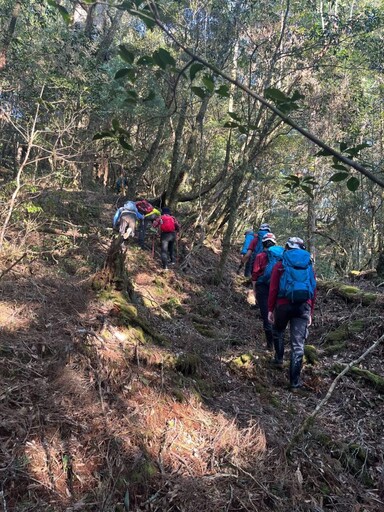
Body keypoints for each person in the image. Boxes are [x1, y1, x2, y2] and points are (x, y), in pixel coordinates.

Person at [267, 237, 317, 391]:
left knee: (278, 330)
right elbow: (313, 290)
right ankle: (294, 383)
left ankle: (279, 359)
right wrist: (310, 312)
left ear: (287, 248)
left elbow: (273, 288)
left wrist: (270, 309)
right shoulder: (309, 265)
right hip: (303, 306)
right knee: (298, 345)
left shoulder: (280, 264)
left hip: (283, 305)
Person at [251, 233, 284, 350]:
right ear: (274, 243)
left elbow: (255, 274)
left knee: (266, 316)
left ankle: (270, 346)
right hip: (278, 288)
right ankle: (279, 346)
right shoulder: (281, 256)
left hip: (263, 288)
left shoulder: (260, 256)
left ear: (263, 243)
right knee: (277, 316)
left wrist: (254, 290)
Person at [238, 223, 271, 304]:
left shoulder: (255, 239)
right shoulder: (271, 241)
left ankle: (256, 302)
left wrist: (242, 263)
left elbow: (248, 254)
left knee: (255, 283)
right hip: (268, 267)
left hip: (256, 263)